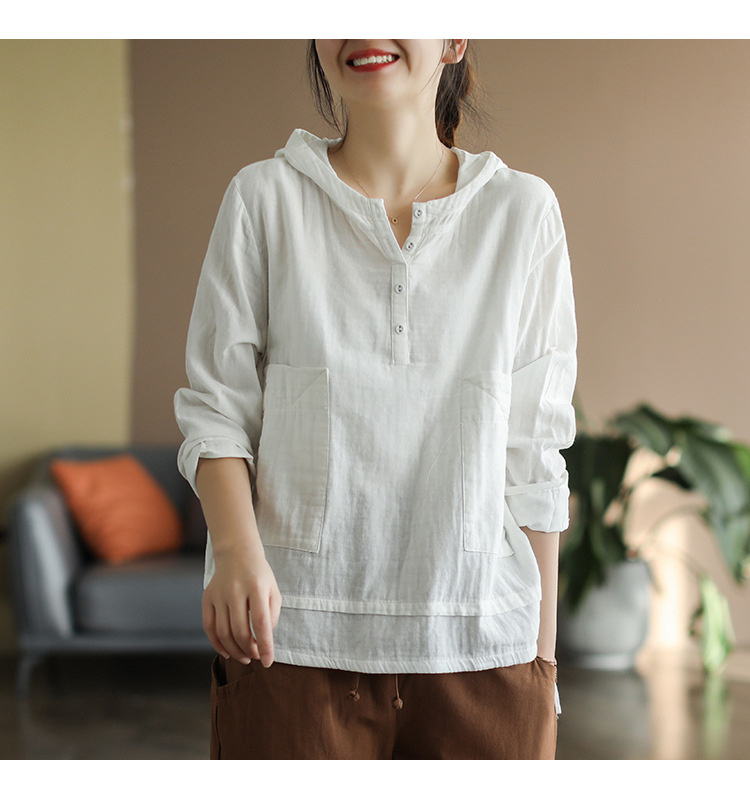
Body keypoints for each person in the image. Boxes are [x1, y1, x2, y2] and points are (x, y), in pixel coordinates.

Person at [174, 39, 577, 760]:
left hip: (488, 651)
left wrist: (540, 664)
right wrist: (234, 551)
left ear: (454, 38)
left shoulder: (522, 212)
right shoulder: (264, 199)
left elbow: (535, 455)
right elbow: (217, 410)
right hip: (290, 644)